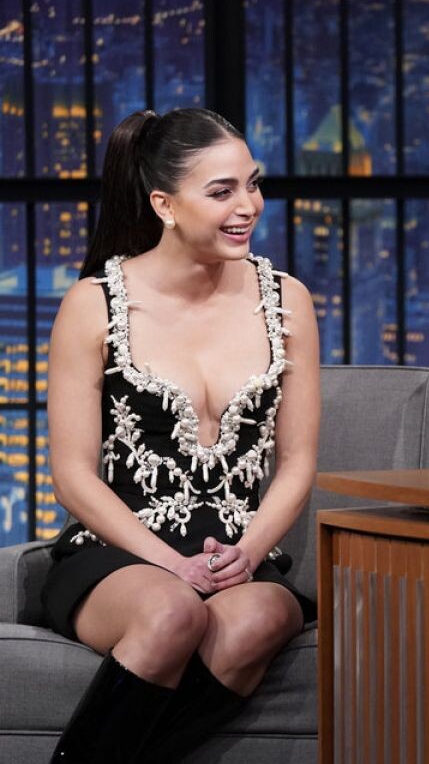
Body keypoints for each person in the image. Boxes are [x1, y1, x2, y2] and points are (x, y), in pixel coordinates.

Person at [41, 108, 320, 762]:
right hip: (121, 554)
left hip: (237, 556)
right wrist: (171, 564)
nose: (247, 206)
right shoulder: (94, 304)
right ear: (164, 205)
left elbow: (298, 461)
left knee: (261, 616)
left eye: (253, 184)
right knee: (173, 612)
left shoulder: (287, 300)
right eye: (222, 191)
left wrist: (249, 554)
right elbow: (73, 476)